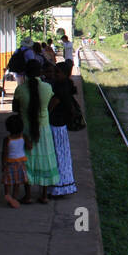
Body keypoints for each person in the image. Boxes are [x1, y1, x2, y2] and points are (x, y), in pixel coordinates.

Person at [16, 59, 58, 204]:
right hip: (44, 129)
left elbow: (15, 109)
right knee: (45, 159)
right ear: (40, 72)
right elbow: (53, 102)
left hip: (26, 130)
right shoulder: (47, 88)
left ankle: (27, 195)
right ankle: (44, 195)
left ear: (26, 73)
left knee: (27, 160)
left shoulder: (20, 89)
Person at [47, 61, 78, 198]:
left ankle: (58, 187)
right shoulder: (67, 85)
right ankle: (65, 185)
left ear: (65, 74)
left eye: (57, 72)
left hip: (56, 124)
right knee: (63, 155)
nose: (54, 74)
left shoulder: (59, 88)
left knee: (56, 155)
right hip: (62, 125)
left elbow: (51, 107)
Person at [0, 115, 27, 208]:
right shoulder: (23, 137)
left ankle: (8, 195)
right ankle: (14, 198)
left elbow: (5, 152)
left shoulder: (7, 139)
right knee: (17, 182)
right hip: (21, 162)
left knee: (7, 181)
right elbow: (29, 146)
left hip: (9, 162)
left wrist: (3, 164)